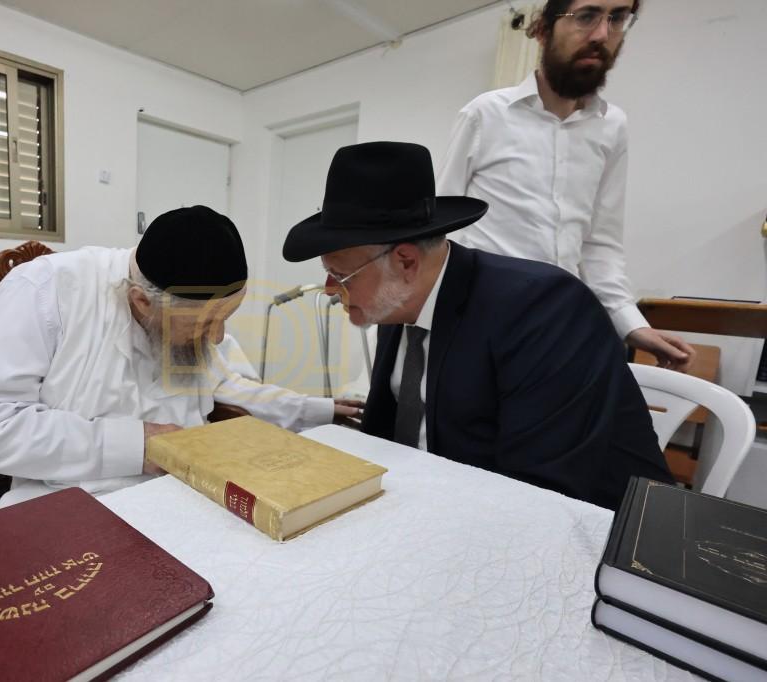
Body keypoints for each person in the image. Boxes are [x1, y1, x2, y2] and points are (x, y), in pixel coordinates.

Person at [283, 141, 672, 510]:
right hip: (440, 500)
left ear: (405, 262)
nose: (330, 289)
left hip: (595, 530)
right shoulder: (395, 302)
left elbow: (539, 487)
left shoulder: (541, 308)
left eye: (342, 275)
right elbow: (388, 435)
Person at [0, 206, 360, 508]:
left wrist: (316, 409)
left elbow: (227, 384)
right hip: (67, 504)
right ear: (141, 302)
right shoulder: (46, 290)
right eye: (206, 324)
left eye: (226, 317)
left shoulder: (187, 315)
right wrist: (139, 445)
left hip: (187, 497)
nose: (218, 337)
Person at [437, 0, 695, 372]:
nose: (602, 34)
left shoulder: (611, 127)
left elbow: (599, 242)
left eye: (618, 18)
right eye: (587, 16)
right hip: (479, 325)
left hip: (559, 326)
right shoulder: (486, 114)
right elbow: (441, 227)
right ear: (544, 29)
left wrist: (631, 324)